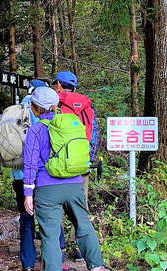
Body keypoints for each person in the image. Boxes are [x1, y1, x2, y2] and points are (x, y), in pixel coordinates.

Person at [23, 86, 109, 271]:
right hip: (74, 184)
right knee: (83, 223)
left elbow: (30, 162)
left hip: (47, 188)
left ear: (36, 107)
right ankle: (97, 269)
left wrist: (28, 192)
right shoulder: (72, 124)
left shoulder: (36, 130)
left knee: (50, 234)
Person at [12, 79, 77, 271]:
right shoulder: (46, 110)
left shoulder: (15, 111)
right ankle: (57, 265)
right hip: (43, 176)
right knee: (52, 219)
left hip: (19, 175)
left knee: (26, 220)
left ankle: (28, 267)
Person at [53, 71, 100, 261]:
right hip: (82, 164)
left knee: (54, 206)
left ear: (58, 84)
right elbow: (95, 134)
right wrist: (89, 159)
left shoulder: (54, 104)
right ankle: (81, 249)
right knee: (80, 207)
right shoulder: (87, 106)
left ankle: (59, 249)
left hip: (57, 165)